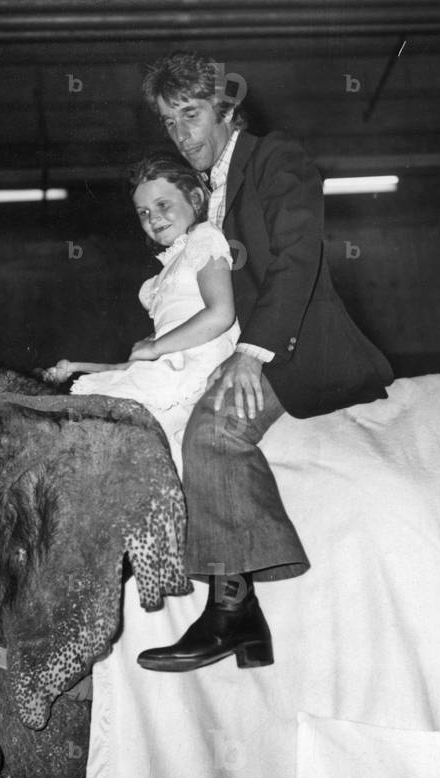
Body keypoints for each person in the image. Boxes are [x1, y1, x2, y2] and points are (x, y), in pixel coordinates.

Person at [130, 51, 395, 673]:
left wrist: (252, 355)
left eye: (191, 115)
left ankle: (231, 611)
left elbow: (297, 259)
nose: (181, 134)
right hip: (241, 349)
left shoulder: (277, 158)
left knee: (215, 430)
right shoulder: (205, 197)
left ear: (226, 108)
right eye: (170, 123)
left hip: (299, 346)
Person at [43, 151, 240, 475]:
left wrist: (156, 347)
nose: (153, 218)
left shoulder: (203, 239)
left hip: (199, 367)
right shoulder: (160, 278)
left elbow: (220, 314)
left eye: (163, 205)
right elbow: (136, 364)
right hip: (172, 364)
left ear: (194, 197)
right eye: (144, 212)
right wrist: (74, 367)